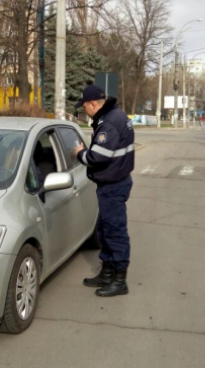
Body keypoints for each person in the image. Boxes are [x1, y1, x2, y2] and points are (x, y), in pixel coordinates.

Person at [73, 83, 135, 297]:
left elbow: (96, 157)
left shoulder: (108, 122)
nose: (84, 111)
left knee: (115, 233)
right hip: (115, 182)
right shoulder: (116, 115)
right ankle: (107, 274)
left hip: (113, 185)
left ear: (92, 104)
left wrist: (80, 153)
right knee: (105, 231)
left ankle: (119, 281)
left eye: (85, 107)